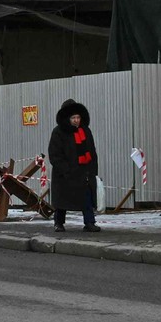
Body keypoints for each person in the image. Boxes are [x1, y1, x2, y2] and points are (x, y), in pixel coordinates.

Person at [49, 99, 99, 233]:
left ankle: (89, 222)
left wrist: (93, 170)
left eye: (78, 117)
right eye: (73, 117)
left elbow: (92, 151)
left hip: (84, 172)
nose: (76, 120)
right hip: (65, 174)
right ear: (67, 118)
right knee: (62, 201)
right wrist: (65, 170)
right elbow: (54, 155)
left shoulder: (85, 131)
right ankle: (58, 223)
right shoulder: (58, 133)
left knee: (86, 198)